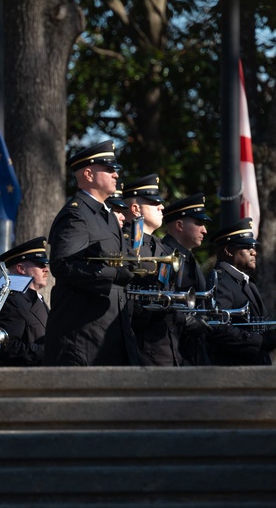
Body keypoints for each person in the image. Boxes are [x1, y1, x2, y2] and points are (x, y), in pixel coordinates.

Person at [44, 140, 139, 366]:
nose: (115, 174)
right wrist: (112, 275)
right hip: (83, 336)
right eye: (108, 169)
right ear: (88, 174)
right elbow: (63, 265)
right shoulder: (76, 215)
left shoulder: (106, 215)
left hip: (111, 332)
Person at [121, 174, 183, 366]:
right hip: (139, 347)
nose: (161, 207)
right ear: (135, 208)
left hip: (166, 347)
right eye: (154, 203)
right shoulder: (124, 243)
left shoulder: (163, 248)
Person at [206, 217, 276, 365]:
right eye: (247, 248)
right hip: (234, 369)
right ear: (228, 250)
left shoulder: (246, 282)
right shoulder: (220, 281)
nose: (254, 252)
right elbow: (218, 328)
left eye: (253, 247)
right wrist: (260, 341)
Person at [161, 192, 215, 365]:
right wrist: (186, 319)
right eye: (198, 223)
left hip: (191, 351)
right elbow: (160, 300)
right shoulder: (164, 255)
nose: (204, 230)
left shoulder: (188, 258)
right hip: (170, 350)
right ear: (179, 225)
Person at [0, 236, 50, 366]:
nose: (46, 269)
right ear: (21, 269)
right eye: (40, 264)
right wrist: (45, 351)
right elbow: (7, 347)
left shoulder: (35, 299)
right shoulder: (12, 301)